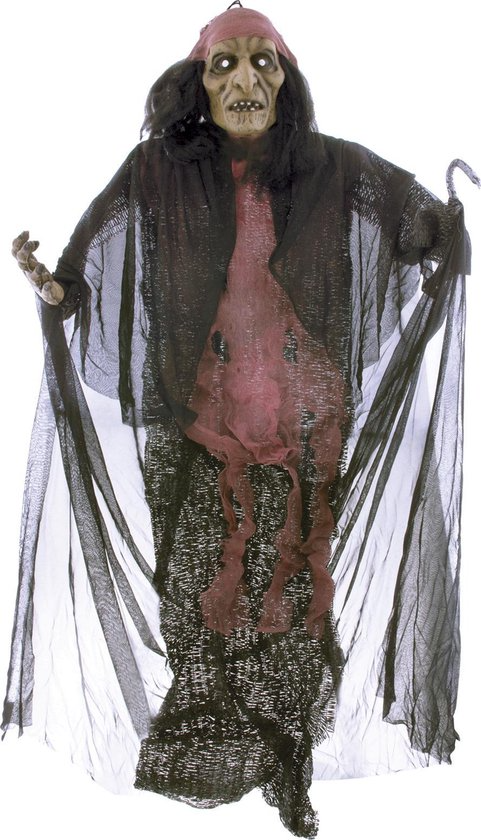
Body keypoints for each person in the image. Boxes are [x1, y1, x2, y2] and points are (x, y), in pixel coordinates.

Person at [4, 4, 477, 838]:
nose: (245, 79)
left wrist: (444, 227)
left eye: (264, 62)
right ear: (199, 83)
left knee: (290, 595)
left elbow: (416, 229)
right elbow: (83, 266)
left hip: (302, 428)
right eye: (224, 64)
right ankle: (213, 744)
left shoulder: (335, 168)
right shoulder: (154, 172)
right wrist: (55, 286)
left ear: (286, 81)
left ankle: (287, 760)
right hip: (197, 424)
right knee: (195, 591)